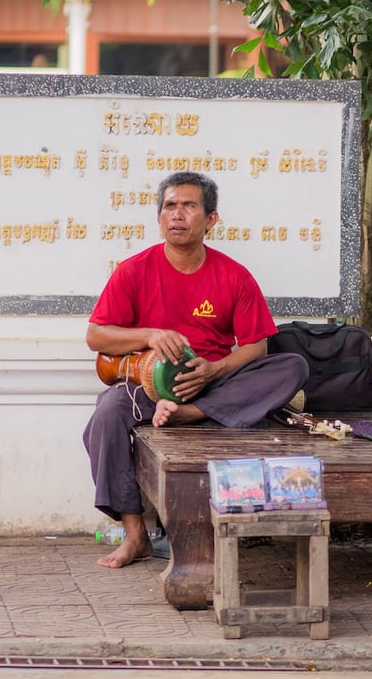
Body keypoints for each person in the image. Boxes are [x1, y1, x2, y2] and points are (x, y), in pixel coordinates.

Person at [82, 171, 308, 569]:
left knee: (292, 365)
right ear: (159, 217)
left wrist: (216, 370)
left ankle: (189, 416)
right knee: (105, 416)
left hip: (213, 388)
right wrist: (150, 336)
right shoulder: (133, 271)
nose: (178, 214)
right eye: (170, 206)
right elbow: (96, 336)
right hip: (150, 388)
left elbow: (257, 346)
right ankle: (136, 536)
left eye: (189, 206)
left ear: (211, 220)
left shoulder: (233, 275)